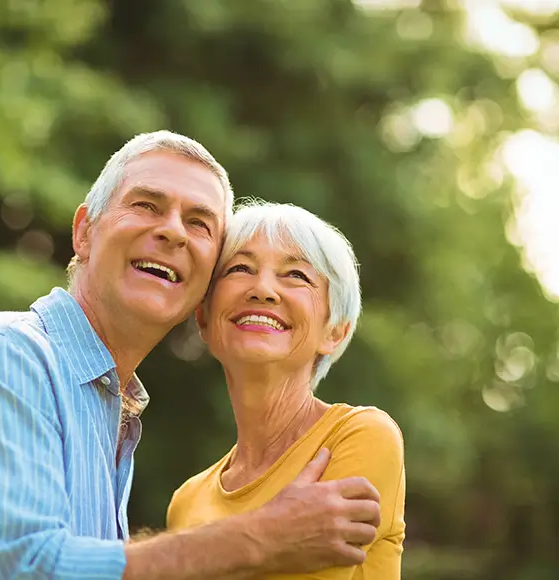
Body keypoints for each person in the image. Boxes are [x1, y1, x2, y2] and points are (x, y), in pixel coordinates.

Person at [0, 131, 382, 580]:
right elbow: (25, 572)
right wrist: (263, 536)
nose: (171, 231)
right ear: (84, 233)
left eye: (199, 223)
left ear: (202, 284)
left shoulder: (110, 413)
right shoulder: (2, 356)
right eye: (146, 205)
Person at [167, 200, 406, 579]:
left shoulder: (360, 437)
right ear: (204, 320)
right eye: (240, 268)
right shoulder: (185, 501)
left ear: (334, 331)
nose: (262, 289)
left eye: (295, 275)